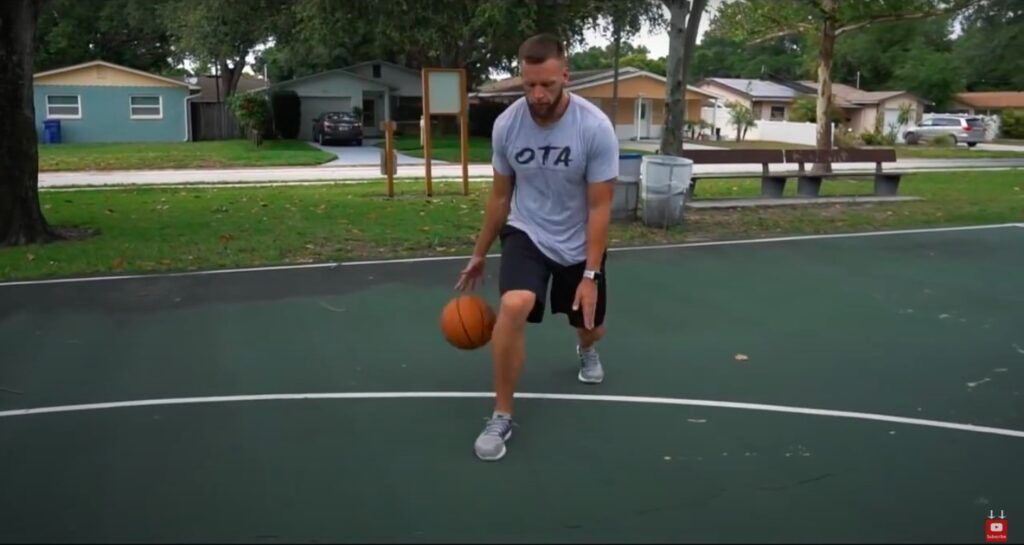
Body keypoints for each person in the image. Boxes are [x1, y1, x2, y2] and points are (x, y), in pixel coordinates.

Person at [454, 33, 619, 461]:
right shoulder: (508, 125)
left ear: (565, 75)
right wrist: (478, 253)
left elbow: (601, 206)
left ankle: (586, 348)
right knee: (514, 304)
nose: (537, 94)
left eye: (546, 84)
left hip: (579, 240)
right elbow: (499, 197)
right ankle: (501, 415)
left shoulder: (594, 127)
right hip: (527, 231)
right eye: (529, 85)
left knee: (590, 324)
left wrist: (590, 275)